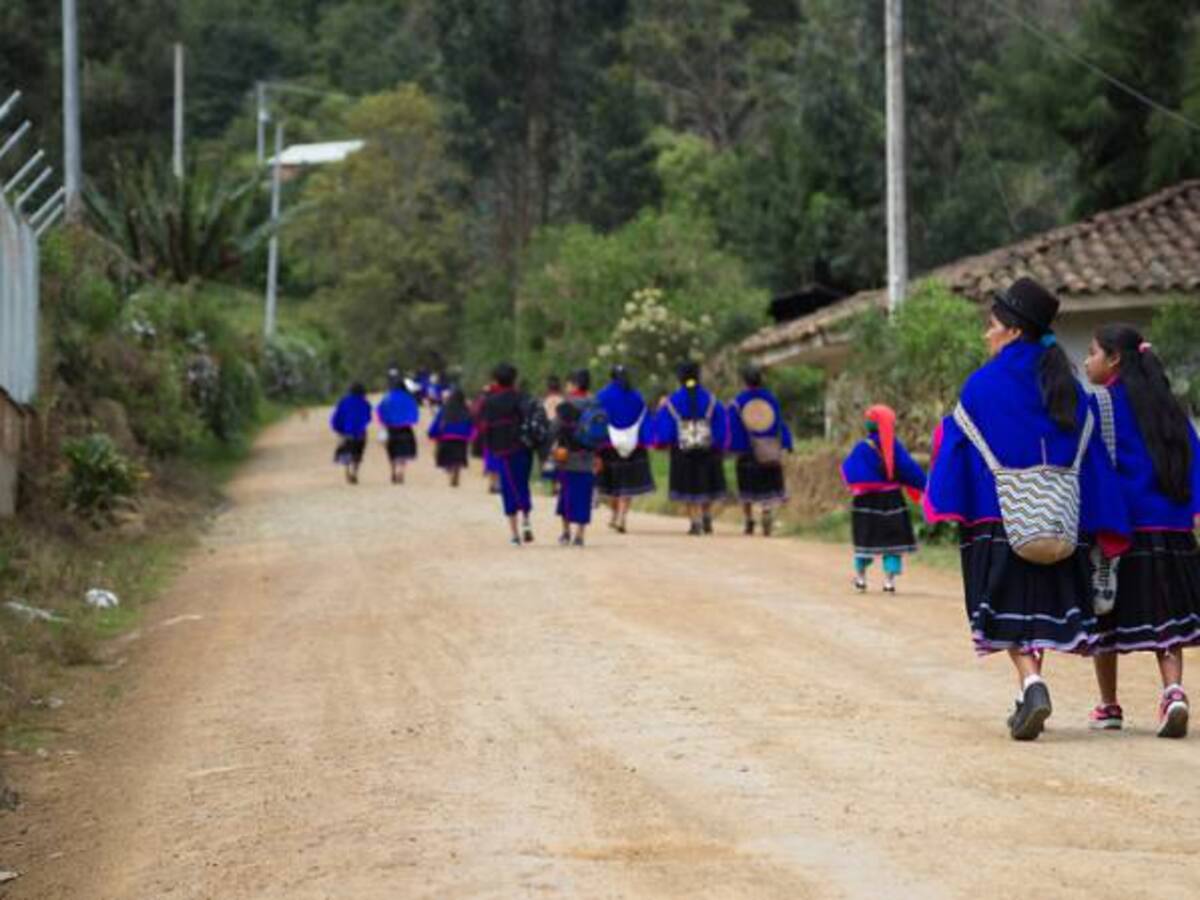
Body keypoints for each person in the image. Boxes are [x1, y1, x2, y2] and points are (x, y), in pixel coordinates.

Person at [925, 277, 1130, 741]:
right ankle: (1027, 690)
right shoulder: (1071, 388)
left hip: (1000, 521)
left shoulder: (983, 386)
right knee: (1038, 611)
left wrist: (945, 500)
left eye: (991, 325)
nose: (986, 334)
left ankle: (1031, 682)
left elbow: (955, 446)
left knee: (1006, 612)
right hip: (1059, 522)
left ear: (1014, 331)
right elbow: (1093, 456)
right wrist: (1103, 520)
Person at [1083, 324, 1200, 738]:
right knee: (1167, 618)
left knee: (1105, 615)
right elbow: (1193, 458)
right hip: (1172, 528)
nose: (1086, 361)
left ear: (1114, 359)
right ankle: (1173, 692)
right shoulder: (1169, 406)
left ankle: (1109, 704)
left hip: (1122, 527)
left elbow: (1088, 464)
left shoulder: (1098, 405)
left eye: (1093, 352)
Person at [841, 405, 925, 592]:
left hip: (865, 502)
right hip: (891, 500)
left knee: (864, 539)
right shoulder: (894, 446)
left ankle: (861, 579)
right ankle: (889, 582)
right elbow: (908, 469)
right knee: (892, 542)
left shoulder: (861, 447)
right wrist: (925, 486)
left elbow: (848, 470)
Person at [655, 361, 728, 535]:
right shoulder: (711, 400)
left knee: (688, 486)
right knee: (705, 484)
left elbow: (665, 429)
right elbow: (721, 425)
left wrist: (664, 442)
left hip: (682, 451)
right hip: (707, 449)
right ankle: (707, 515)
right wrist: (718, 443)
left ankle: (694, 521)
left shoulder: (672, 401)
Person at [728, 365, 793, 537]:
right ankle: (766, 511)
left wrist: (731, 446)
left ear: (745, 382)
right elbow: (780, 423)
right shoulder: (771, 400)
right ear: (760, 380)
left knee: (746, 488)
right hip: (768, 450)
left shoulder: (738, 402)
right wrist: (786, 443)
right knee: (768, 484)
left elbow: (732, 427)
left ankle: (749, 520)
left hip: (746, 450)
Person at [478, 362, 535, 545]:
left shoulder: (490, 402)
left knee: (508, 487)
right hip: (523, 448)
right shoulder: (523, 398)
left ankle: (514, 534)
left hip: (503, 450)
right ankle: (526, 520)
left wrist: (487, 449)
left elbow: (484, 427)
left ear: (496, 380)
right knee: (523, 483)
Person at [596, 365, 657, 533]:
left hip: (609, 446)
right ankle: (622, 516)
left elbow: (596, 420)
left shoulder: (602, 396)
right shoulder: (637, 396)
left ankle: (614, 514)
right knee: (627, 485)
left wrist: (595, 445)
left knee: (611, 484)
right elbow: (646, 419)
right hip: (634, 445)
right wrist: (649, 440)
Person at [550, 392, 598, 547]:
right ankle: (580, 535)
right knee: (583, 500)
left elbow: (553, 435)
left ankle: (565, 533)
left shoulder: (563, 416)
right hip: (586, 464)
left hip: (567, 464)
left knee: (566, 499)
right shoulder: (589, 415)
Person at [376, 373, 421, 484]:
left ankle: (393, 470)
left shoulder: (387, 397)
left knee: (392, 452)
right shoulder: (409, 398)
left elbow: (379, 411)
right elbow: (415, 414)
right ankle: (400, 471)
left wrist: (383, 422)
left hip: (391, 429)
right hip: (405, 429)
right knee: (403, 453)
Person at [429, 384, 473, 487]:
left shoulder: (445, 409)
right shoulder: (466, 410)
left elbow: (437, 422)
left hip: (446, 437)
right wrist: (471, 435)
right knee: (458, 457)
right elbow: (471, 424)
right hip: (461, 438)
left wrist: (433, 433)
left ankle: (450, 472)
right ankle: (456, 469)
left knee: (447, 458)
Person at [330, 382, 372, 485]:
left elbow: (337, 417)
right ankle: (355, 472)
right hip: (360, 433)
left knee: (347, 452)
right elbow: (368, 418)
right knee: (358, 453)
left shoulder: (343, 401)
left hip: (346, 432)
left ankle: (347, 470)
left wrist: (338, 429)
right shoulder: (365, 403)